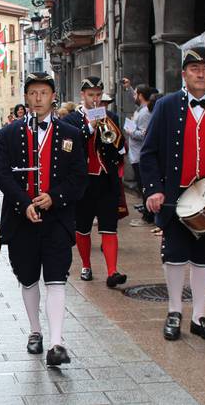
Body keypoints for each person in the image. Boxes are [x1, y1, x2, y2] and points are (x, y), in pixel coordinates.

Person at [141, 46, 205, 342]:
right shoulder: (166, 106)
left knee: (203, 257)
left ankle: (199, 315)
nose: (200, 73)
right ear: (184, 73)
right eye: (195, 69)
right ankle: (174, 310)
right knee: (174, 255)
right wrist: (154, 190)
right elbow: (148, 153)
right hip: (175, 196)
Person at [0, 72, 87, 368]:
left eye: (43, 93)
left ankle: (57, 342)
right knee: (28, 276)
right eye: (32, 93)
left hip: (57, 219)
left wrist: (54, 197)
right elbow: (2, 174)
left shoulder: (71, 134)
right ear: (25, 97)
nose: (37, 98)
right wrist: (24, 204)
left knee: (57, 277)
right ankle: (35, 330)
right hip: (22, 220)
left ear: (52, 96)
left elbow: (79, 178)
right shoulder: (8, 134)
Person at [63, 76, 128, 288]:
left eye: (98, 95)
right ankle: (86, 265)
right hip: (83, 183)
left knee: (109, 227)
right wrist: (90, 127)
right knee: (82, 228)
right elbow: (69, 148)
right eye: (91, 95)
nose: (95, 99)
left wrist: (113, 135)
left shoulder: (111, 116)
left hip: (106, 180)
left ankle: (112, 271)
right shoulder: (71, 120)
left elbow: (120, 150)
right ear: (82, 96)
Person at [122, 80, 158, 227]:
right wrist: (129, 87)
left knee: (144, 186)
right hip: (136, 154)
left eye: (135, 94)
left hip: (140, 155)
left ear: (141, 95)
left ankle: (148, 216)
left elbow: (144, 134)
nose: (133, 96)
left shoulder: (144, 113)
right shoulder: (140, 109)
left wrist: (131, 131)